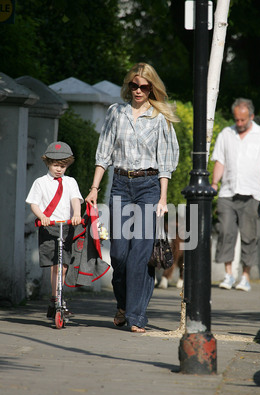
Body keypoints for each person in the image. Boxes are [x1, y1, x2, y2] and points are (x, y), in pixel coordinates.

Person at [85, 62, 179, 332]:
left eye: (144, 86)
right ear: (128, 86)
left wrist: (162, 198)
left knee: (140, 253)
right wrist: (94, 188)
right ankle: (124, 305)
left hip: (149, 187)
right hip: (121, 186)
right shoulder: (116, 112)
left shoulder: (160, 117)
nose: (138, 90)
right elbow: (103, 152)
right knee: (119, 254)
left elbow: (166, 161)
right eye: (134, 85)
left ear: (152, 88)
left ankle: (136, 317)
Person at [211, 98, 260, 292]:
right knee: (225, 232)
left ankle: (245, 276)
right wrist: (214, 184)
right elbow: (220, 162)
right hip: (228, 192)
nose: (239, 124)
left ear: (251, 116)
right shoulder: (226, 133)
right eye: (236, 120)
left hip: (252, 193)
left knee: (250, 235)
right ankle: (229, 275)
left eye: (243, 120)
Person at [26, 141, 83, 318]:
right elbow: (33, 203)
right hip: (49, 227)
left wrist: (77, 214)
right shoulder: (40, 182)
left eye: (63, 166)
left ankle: (58, 299)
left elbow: (75, 199)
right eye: (55, 165)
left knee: (63, 266)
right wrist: (42, 216)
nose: (59, 169)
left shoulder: (70, 182)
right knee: (54, 266)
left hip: (66, 226)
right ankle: (55, 299)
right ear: (48, 163)